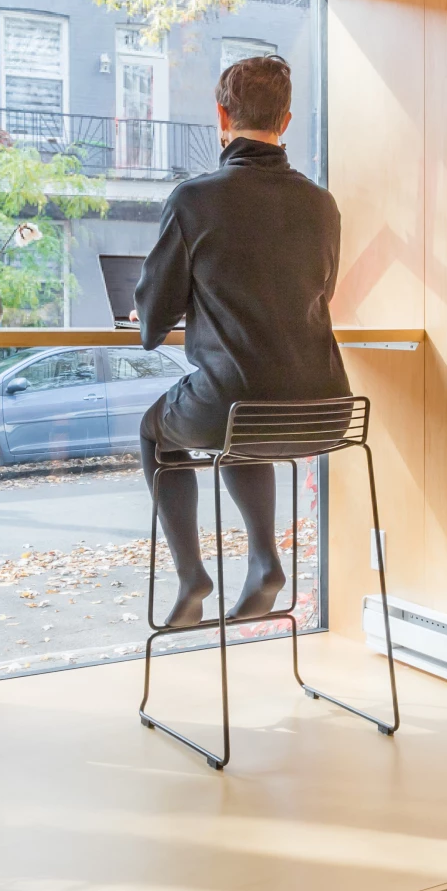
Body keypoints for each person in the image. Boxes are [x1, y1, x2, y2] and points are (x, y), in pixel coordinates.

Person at [134, 54, 347, 628]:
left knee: (159, 431)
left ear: (222, 116)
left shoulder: (195, 199)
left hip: (235, 401)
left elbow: (153, 324)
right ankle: (263, 562)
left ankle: (191, 576)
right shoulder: (322, 204)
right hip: (330, 412)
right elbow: (318, 291)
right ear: (286, 120)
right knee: (242, 420)